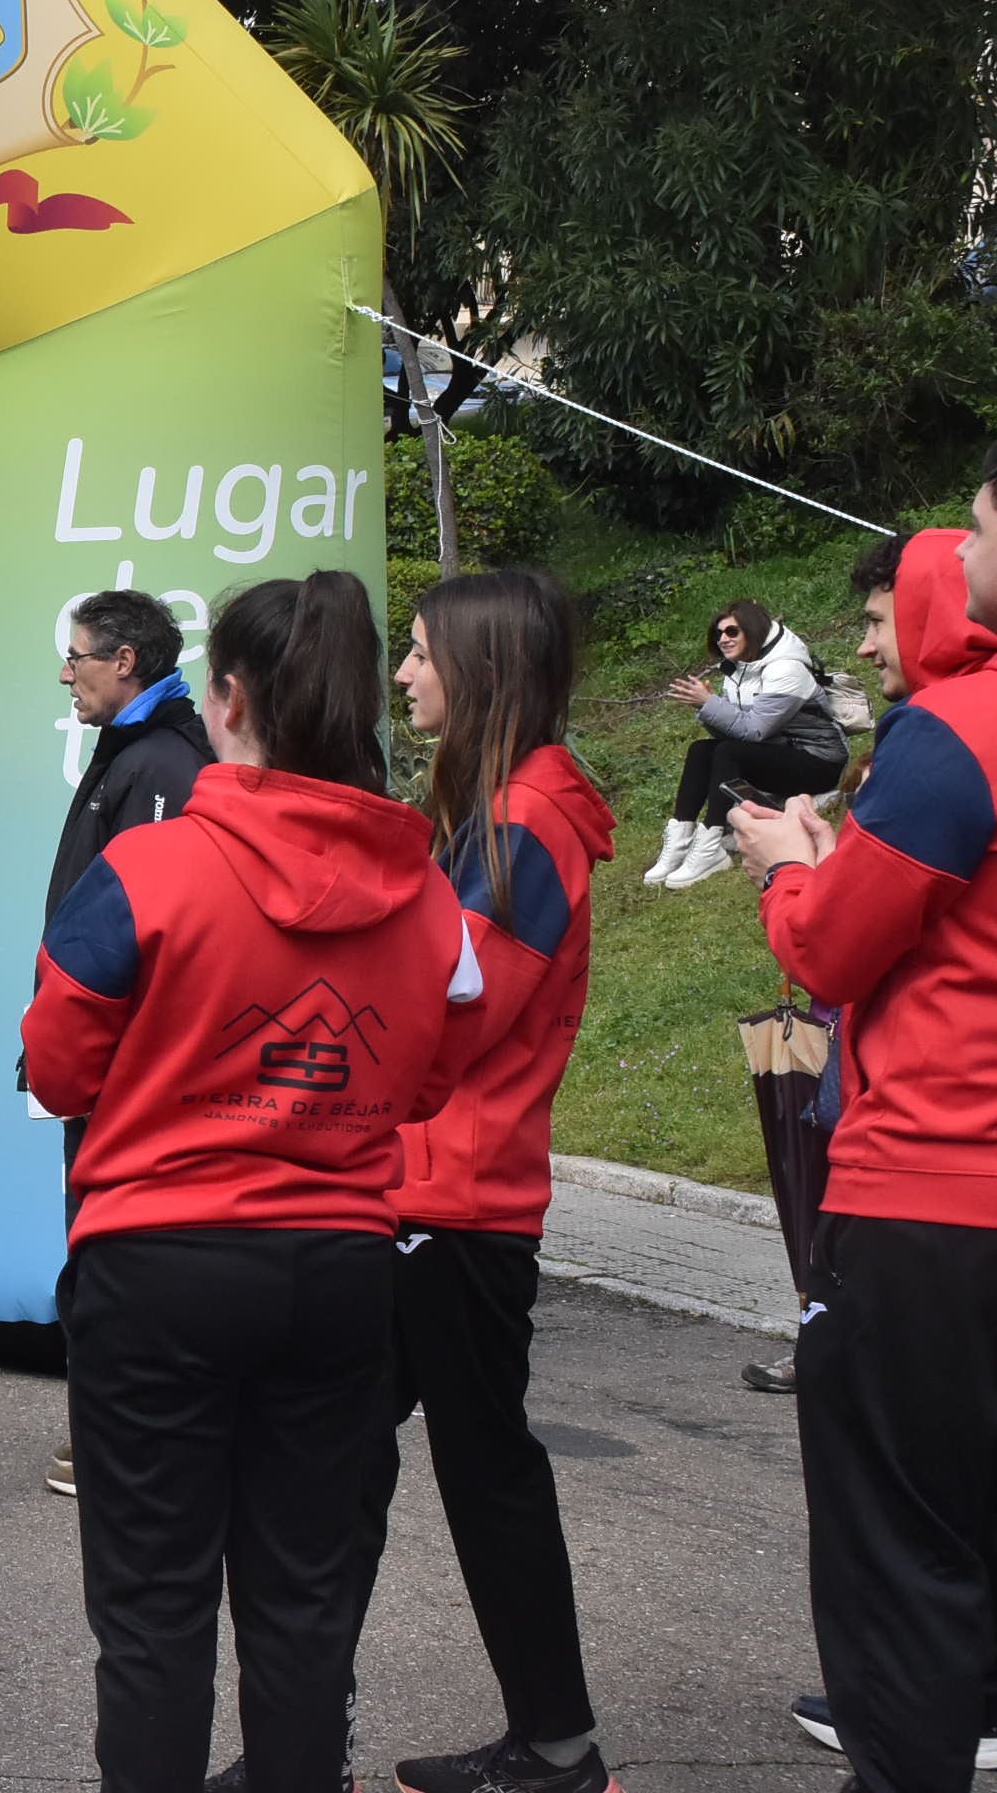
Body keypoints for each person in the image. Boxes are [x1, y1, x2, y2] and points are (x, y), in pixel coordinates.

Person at [20, 569, 480, 1793]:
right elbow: (435, 1078)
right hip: (336, 1270)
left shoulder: (147, 872)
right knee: (305, 1605)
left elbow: (59, 1063)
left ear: (225, 698)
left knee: (154, 1607)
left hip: (156, 1263)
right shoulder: (427, 892)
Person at [735, 458, 997, 1793]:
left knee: (902, 1556)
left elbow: (836, 951)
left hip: (936, 1200)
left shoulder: (959, 732)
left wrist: (793, 867)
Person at [335, 569, 621, 1793]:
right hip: (448, 1191)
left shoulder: (522, 825)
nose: (402, 675)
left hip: (445, 1198)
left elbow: (454, 1020)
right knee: (410, 1468)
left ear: (481, 667)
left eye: (417, 653)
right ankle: (550, 1740)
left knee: (400, 1470)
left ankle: (550, 1745)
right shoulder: (509, 812)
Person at [38, 588, 214, 1498]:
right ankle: (104, 1429)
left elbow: (151, 931)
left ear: (125, 662)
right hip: (108, 1065)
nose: (65, 674)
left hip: (128, 1073)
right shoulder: (137, 752)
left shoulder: (163, 765)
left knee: (115, 1252)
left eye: (76, 656)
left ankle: (116, 1440)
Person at [643, 599, 848, 889]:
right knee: (701, 750)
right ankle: (681, 837)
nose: (723, 639)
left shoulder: (787, 669)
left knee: (728, 752)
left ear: (752, 630)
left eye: (731, 632)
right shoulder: (739, 671)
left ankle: (711, 843)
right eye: (718, 634)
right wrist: (706, 708)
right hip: (781, 753)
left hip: (819, 761)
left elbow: (754, 732)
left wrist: (709, 703)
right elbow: (735, 733)